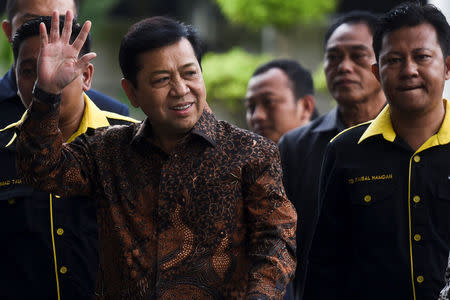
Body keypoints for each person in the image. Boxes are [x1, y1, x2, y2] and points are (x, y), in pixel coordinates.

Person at [15, 11, 297, 299]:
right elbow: (40, 170)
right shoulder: (105, 150)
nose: (181, 90)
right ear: (132, 93)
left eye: (190, 73)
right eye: (162, 79)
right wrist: (47, 92)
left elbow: (276, 241)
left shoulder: (251, 153)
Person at [310, 2, 450, 299]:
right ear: (377, 71)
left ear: (448, 66)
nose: (409, 70)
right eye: (394, 60)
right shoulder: (345, 151)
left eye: (422, 57)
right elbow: (326, 265)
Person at [0, 16, 137, 299]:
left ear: (86, 76)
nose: (45, 79)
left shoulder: (132, 142)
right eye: (29, 71)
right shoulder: (3, 148)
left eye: (59, 66)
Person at [277, 11, 386, 300]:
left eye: (358, 56)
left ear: (383, 62)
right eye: (334, 57)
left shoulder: (411, 139)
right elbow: (277, 241)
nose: (344, 67)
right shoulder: (296, 146)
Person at [0, 0, 129, 129]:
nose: (50, 31)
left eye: (61, 23)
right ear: (8, 30)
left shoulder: (116, 121)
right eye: (32, 22)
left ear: (86, 75)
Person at [245, 59, 318, 143]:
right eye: (250, 106)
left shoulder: (330, 153)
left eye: (269, 102)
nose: (257, 116)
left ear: (305, 107)